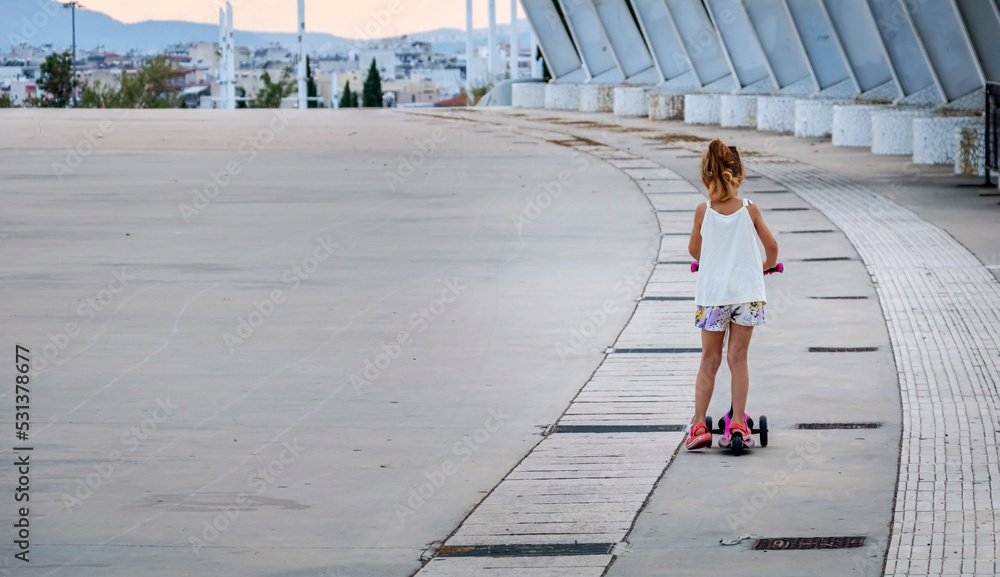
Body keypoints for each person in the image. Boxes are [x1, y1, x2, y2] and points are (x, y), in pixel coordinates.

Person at [684, 139, 778, 451]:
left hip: (713, 296)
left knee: (709, 360)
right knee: (738, 358)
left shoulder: (703, 211)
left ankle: (699, 424)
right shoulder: (750, 209)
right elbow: (772, 249)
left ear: (704, 180)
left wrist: (706, 261)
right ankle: (738, 422)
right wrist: (765, 267)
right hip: (747, 294)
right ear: (740, 177)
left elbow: (695, 251)